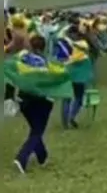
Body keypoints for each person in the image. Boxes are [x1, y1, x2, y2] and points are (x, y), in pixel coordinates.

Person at [10, 36, 71, 174]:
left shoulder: (22, 59)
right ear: (44, 47)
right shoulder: (48, 64)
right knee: (37, 131)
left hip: (24, 100)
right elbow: (61, 75)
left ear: (30, 45)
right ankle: (21, 158)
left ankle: (42, 156)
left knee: (35, 129)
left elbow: (10, 70)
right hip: (42, 102)